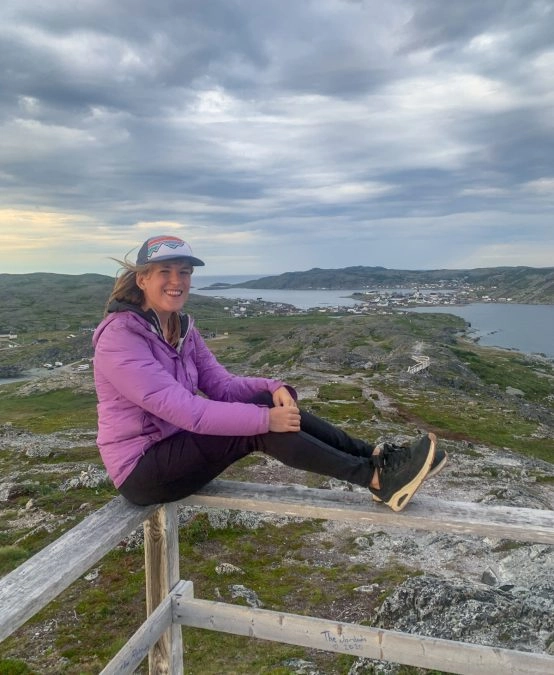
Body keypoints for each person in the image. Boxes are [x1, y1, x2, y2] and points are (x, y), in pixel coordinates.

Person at [93, 235, 446, 513]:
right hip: (142, 472)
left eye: (184, 272)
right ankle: (376, 480)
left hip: (175, 450)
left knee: (261, 402)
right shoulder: (120, 339)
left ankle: (376, 457)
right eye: (165, 272)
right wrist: (266, 420)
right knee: (256, 428)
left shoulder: (181, 327)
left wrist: (272, 387)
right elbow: (187, 411)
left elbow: (222, 386)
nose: (176, 281)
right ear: (142, 279)